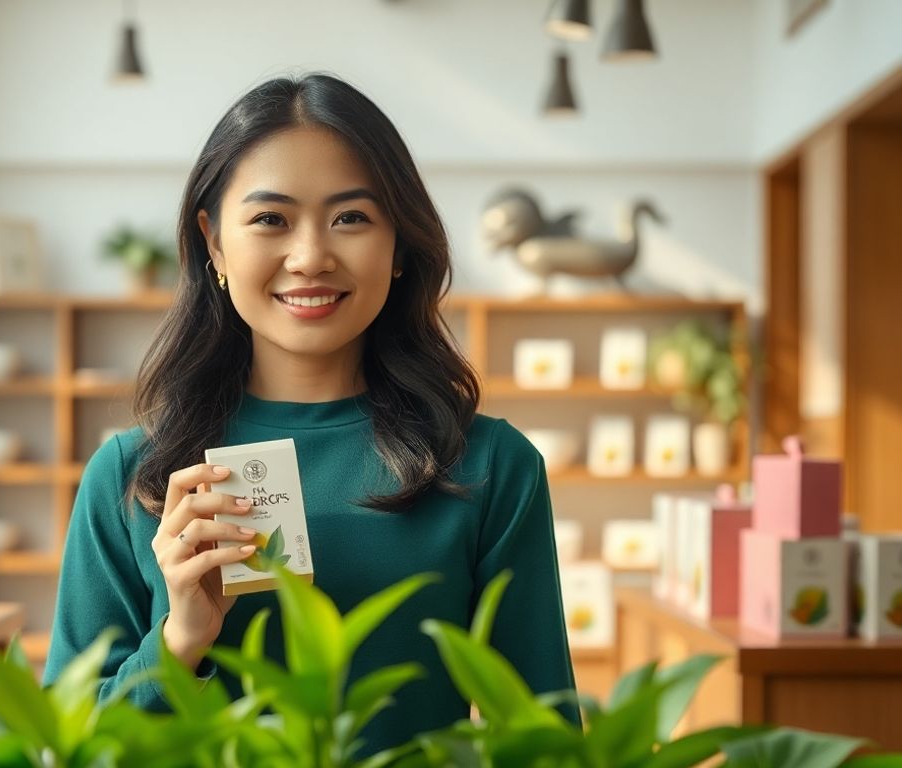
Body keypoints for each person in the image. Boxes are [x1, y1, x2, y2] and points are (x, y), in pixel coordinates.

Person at [45, 72, 577, 754]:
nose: (311, 256)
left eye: (351, 217)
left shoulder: (492, 468)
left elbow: (544, 741)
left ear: (398, 248)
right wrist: (178, 642)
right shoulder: (132, 477)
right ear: (213, 244)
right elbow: (67, 748)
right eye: (271, 219)